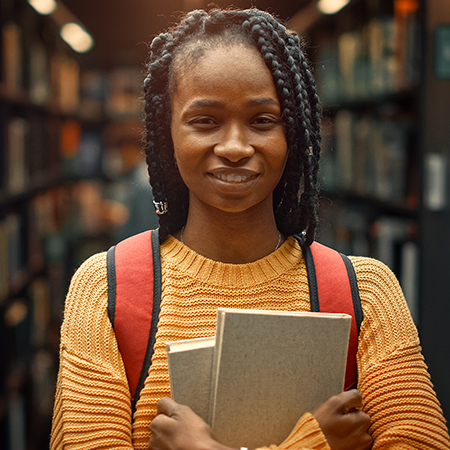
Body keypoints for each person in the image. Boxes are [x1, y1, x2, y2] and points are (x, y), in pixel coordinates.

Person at [50, 7, 450, 450]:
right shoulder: (105, 290)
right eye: (205, 121)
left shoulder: (367, 292)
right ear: (168, 134)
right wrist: (313, 443)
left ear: (293, 133)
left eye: (262, 121)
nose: (236, 148)